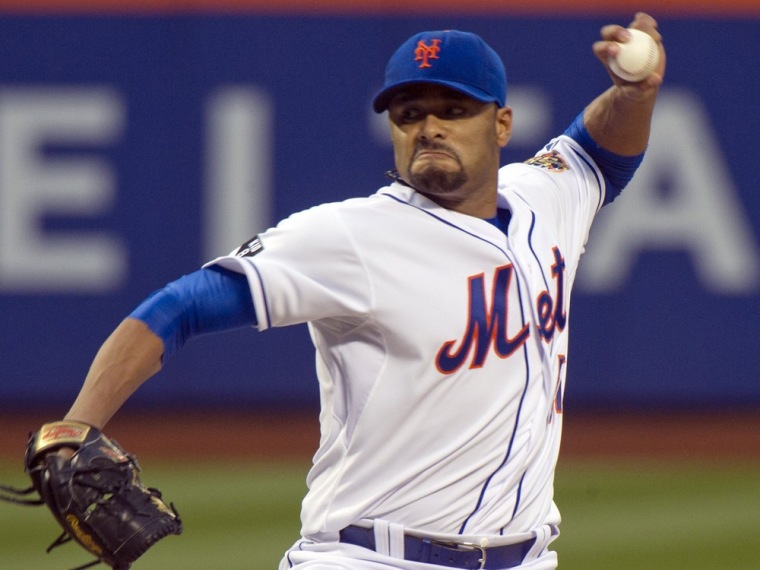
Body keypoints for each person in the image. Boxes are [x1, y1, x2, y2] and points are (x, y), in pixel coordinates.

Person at [56, 12, 665, 570]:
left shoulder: (543, 199)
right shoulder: (351, 236)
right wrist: (76, 428)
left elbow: (597, 154)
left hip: (525, 558)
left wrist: (635, 93)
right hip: (370, 557)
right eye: (409, 113)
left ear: (501, 123)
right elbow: (180, 308)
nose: (428, 127)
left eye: (452, 110)